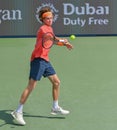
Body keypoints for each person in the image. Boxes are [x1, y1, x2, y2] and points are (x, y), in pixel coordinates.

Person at [11, 6, 73, 125]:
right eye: (47, 18)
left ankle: (55, 107)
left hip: (45, 60)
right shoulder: (43, 29)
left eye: (51, 17)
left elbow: (53, 41)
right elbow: (52, 38)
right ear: (42, 19)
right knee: (31, 86)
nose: (50, 19)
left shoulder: (50, 28)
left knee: (56, 82)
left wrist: (64, 44)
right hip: (38, 60)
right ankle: (18, 111)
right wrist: (64, 41)